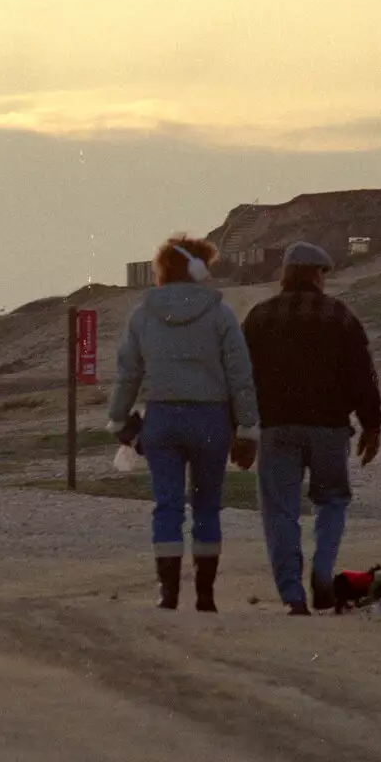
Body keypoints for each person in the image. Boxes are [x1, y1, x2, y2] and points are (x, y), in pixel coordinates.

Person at [108, 235, 260, 612]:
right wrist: (246, 429)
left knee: (168, 506)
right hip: (211, 420)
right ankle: (205, 596)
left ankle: (169, 593)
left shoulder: (143, 315)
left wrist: (117, 419)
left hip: (162, 418)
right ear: (199, 270)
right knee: (208, 506)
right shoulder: (221, 314)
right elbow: (240, 376)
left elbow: (128, 373)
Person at [241, 241, 381, 615]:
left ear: (286, 274)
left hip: (277, 429)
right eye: (322, 273)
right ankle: (322, 573)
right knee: (332, 500)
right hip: (329, 429)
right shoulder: (341, 316)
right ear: (317, 274)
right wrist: (372, 425)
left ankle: (292, 595)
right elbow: (363, 377)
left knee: (280, 510)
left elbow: (239, 379)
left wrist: (239, 430)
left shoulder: (259, 317)